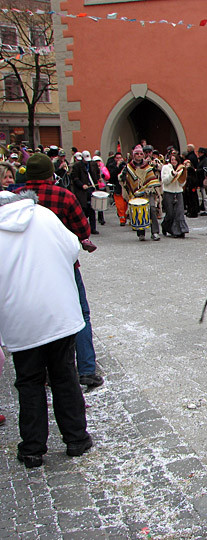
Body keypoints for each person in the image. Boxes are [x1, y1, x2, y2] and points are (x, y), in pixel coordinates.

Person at [0, 190, 93, 468]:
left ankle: (32, 448)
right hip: (57, 312)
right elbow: (71, 247)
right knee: (64, 374)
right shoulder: (43, 215)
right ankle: (76, 438)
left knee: (29, 381)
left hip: (20, 317)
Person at [16, 153, 104, 389]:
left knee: (35, 316)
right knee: (80, 314)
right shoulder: (63, 196)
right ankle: (86, 369)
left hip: (24, 270)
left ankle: (41, 370)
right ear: (49, 174)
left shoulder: (14, 201)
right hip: (63, 267)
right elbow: (83, 229)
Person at [120, 145, 163, 241]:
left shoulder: (147, 166)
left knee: (152, 209)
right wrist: (123, 178)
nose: (139, 155)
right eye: (137, 154)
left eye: (140, 154)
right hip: (136, 193)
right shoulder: (129, 167)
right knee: (139, 211)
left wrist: (151, 185)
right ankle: (141, 233)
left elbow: (152, 178)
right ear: (133, 155)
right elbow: (124, 178)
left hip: (148, 191)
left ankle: (155, 232)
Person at [160, 153, 190, 238]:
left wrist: (183, 175)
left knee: (179, 213)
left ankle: (180, 231)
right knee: (170, 213)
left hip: (178, 192)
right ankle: (165, 226)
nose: (174, 161)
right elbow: (165, 181)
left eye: (175, 160)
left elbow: (182, 183)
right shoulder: (166, 168)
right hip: (168, 192)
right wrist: (172, 175)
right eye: (172, 159)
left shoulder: (180, 168)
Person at [70, 150, 100, 234]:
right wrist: (81, 185)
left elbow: (95, 175)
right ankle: (83, 227)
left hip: (91, 188)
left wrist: (97, 186)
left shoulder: (91, 165)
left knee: (92, 208)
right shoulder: (77, 166)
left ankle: (93, 228)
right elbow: (74, 178)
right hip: (81, 190)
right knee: (83, 208)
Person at [107, 152, 127, 225]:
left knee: (125, 204)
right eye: (117, 158)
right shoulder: (112, 166)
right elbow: (111, 176)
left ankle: (126, 216)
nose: (119, 159)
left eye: (120, 158)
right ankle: (122, 220)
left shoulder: (125, 165)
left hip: (125, 187)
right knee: (120, 205)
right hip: (117, 187)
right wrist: (117, 167)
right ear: (115, 159)